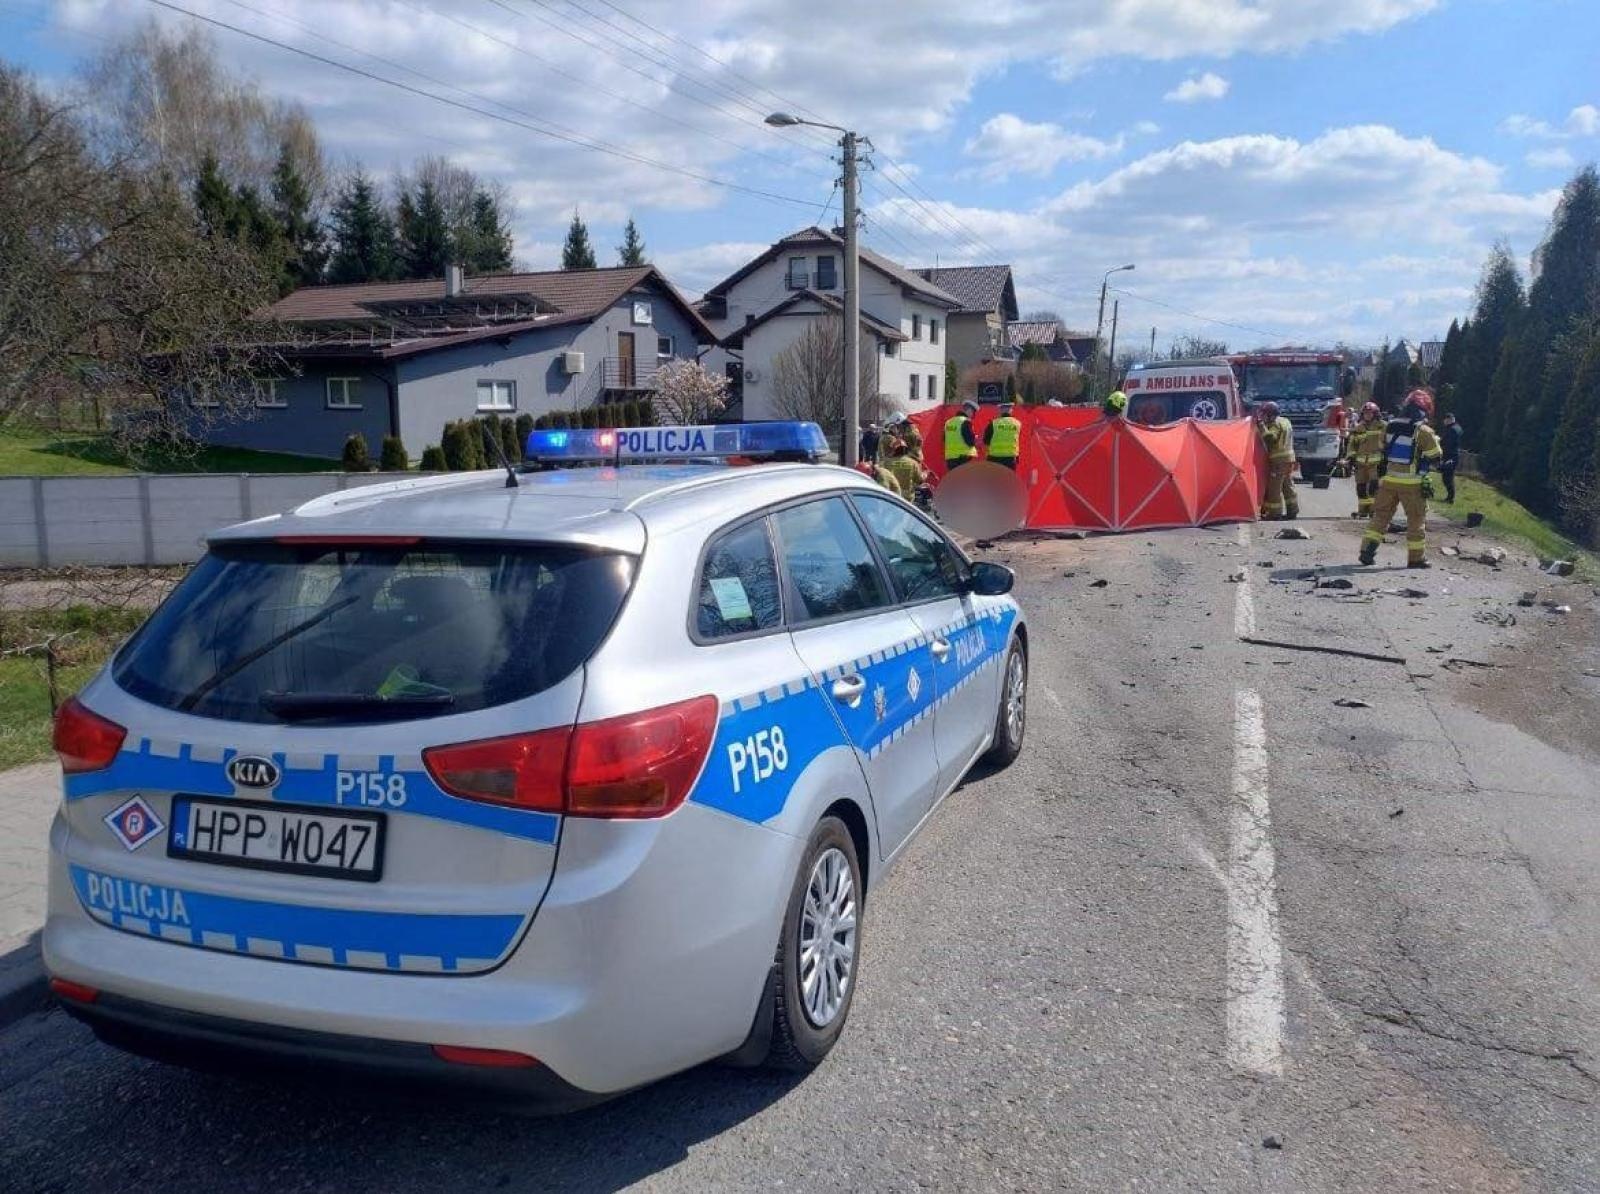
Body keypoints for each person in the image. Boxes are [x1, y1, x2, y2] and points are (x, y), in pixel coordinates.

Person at [1360, 389, 1443, 569]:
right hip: (1412, 483)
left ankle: (1367, 551)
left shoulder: (1390, 425)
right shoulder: (1423, 430)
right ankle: (1415, 558)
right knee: (1416, 519)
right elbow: (1435, 456)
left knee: (1380, 517)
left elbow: (1382, 447)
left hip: (1389, 481)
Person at [1255, 400, 1299, 520]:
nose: (1263, 417)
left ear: (1270, 415)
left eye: (1264, 415)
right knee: (1287, 485)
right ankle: (1293, 510)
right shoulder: (1286, 421)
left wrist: (1262, 427)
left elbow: (1271, 439)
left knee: (1275, 488)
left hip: (1279, 461)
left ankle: (1274, 513)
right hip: (1290, 459)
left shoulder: (1274, 424)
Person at [1346, 401, 1386, 519]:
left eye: (1370, 413)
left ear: (1375, 413)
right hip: (1361, 464)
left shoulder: (1383, 426)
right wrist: (1351, 458)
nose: (1367, 415)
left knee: (1374, 487)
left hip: (1376, 463)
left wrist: (1386, 459)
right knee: (1361, 487)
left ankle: (1374, 510)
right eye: (1365, 413)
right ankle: (1363, 511)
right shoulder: (1359, 427)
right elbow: (1352, 444)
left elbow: (1388, 442)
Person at [984, 401, 1023, 470]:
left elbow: (986, 441)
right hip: (1010, 459)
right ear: (1011, 410)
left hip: (994, 459)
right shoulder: (1018, 424)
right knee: (1009, 479)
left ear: (1001, 410)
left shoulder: (993, 424)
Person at [944, 400, 979, 471]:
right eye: (973, 412)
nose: (973, 415)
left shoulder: (949, 422)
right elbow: (970, 441)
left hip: (950, 459)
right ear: (969, 410)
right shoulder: (965, 421)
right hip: (963, 458)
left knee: (954, 480)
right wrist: (975, 438)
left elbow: (944, 439)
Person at [1439, 412, 1462, 504]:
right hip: (1452, 456)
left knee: (1447, 477)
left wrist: (1440, 443)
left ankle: (1450, 498)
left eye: (1445, 420)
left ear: (1448, 419)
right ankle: (1449, 497)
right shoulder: (1457, 428)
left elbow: (1448, 443)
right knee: (1447, 476)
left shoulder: (1452, 429)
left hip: (1450, 456)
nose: (1444, 422)